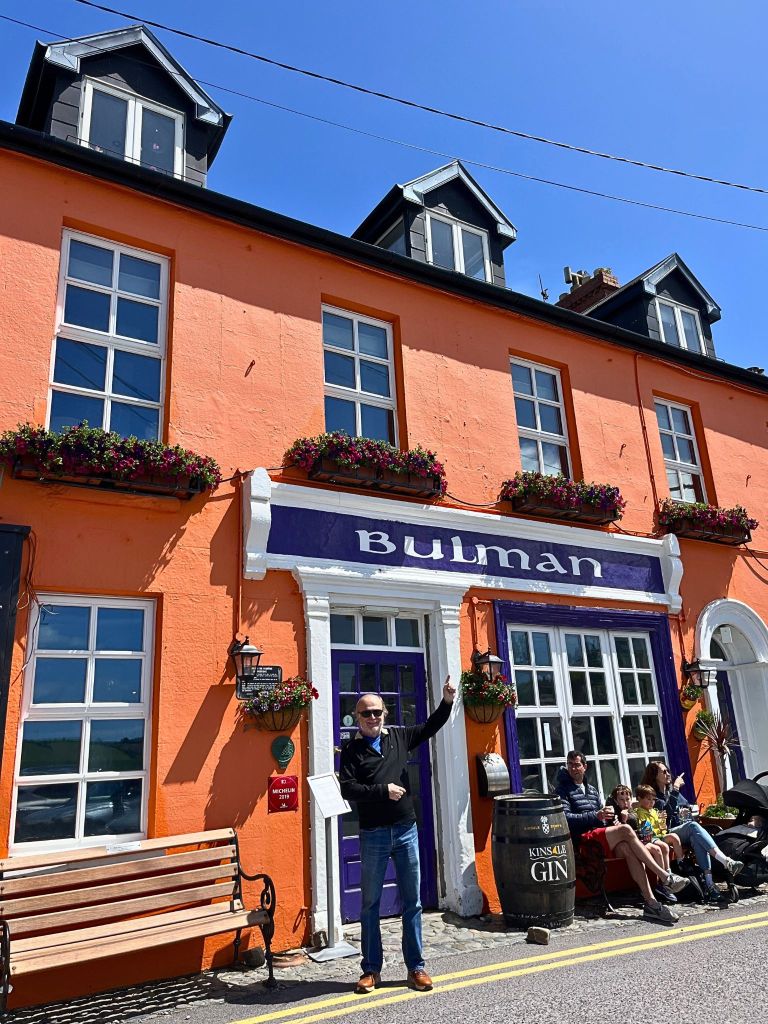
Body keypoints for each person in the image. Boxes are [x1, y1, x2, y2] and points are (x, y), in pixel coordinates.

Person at [338, 677, 456, 994]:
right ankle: (370, 971)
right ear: (357, 718)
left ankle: (416, 968)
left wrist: (446, 701)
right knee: (370, 905)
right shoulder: (351, 750)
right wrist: (383, 791)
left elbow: (432, 726)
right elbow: (348, 789)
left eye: (377, 712)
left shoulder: (400, 738)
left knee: (413, 902)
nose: (372, 718)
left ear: (385, 714)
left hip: (406, 830)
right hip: (373, 834)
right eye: (366, 714)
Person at [556, 752, 686, 925]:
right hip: (584, 840)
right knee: (625, 830)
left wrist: (610, 820)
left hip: (599, 835)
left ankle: (651, 903)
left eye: (577, 764)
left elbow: (601, 819)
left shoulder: (593, 790)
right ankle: (664, 876)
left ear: (585, 766)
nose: (573, 768)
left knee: (628, 848)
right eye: (570, 764)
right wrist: (597, 815)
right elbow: (565, 818)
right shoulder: (562, 790)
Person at [640, 760, 744, 904]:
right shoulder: (653, 796)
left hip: (685, 829)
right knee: (693, 827)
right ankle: (725, 861)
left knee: (697, 838)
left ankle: (709, 885)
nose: (668, 774)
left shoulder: (670, 791)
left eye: (668, 770)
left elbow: (686, 807)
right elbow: (666, 814)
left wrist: (684, 809)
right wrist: (676, 788)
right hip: (667, 833)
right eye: (663, 772)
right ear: (654, 775)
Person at [634, 784, 685, 903]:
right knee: (663, 847)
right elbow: (646, 831)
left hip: (657, 836)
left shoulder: (654, 811)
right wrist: (657, 825)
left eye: (653, 799)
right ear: (640, 799)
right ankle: (665, 881)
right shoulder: (640, 813)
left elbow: (663, 830)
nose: (651, 802)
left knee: (674, 836)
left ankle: (679, 865)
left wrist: (662, 822)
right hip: (648, 838)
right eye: (648, 799)